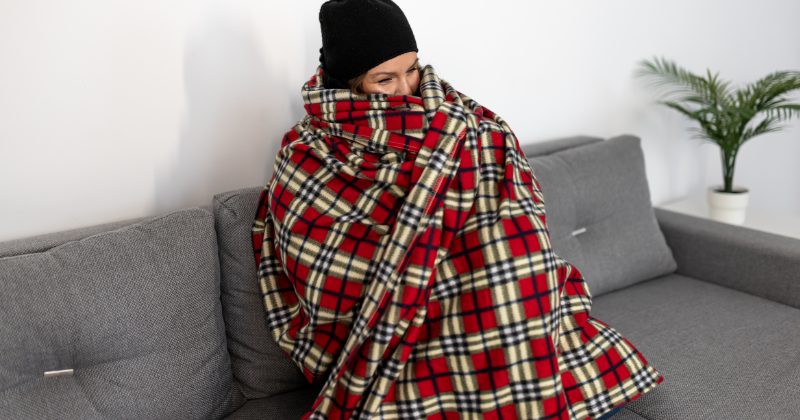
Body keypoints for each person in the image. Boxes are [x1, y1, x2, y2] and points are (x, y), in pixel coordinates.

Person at [251, 1, 663, 419]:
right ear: (349, 83)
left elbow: (519, 218)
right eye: (384, 79)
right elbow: (323, 263)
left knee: (511, 276)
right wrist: (421, 272)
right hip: (403, 323)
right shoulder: (307, 155)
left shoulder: (465, 123)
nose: (406, 88)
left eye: (411, 68)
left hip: (489, 283)